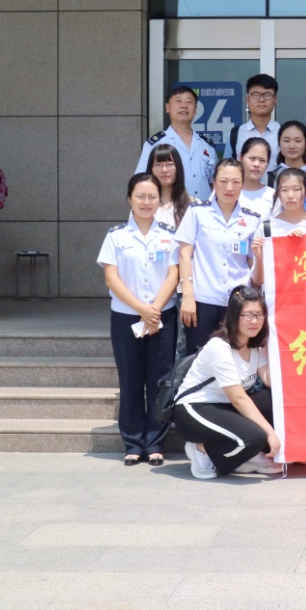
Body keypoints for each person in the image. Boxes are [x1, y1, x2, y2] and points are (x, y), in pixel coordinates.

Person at [98, 173, 181, 467]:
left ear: (159, 201)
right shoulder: (116, 236)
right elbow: (111, 278)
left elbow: (174, 273)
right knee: (130, 379)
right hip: (126, 317)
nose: (146, 202)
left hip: (161, 317)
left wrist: (154, 309)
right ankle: (133, 442)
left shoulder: (170, 235)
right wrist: (141, 309)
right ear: (129, 200)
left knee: (159, 380)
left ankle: (155, 443)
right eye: (140, 197)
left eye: (152, 197)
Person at [173, 285, 282, 480]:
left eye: (259, 315)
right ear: (234, 316)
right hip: (194, 409)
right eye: (248, 315)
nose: (254, 321)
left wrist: (271, 346)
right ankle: (202, 449)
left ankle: (244, 457)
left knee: (274, 402)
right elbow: (239, 398)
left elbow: (268, 380)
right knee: (255, 437)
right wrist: (270, 433)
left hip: (225, 406)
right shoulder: (219, 347)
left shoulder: (255, 345)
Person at [175, 158, 264, 355]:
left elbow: (253, 264)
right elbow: (184, 255)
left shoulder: (252, 219)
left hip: (238, 302)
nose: (229, 187)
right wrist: (187, 296)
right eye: (223, 181)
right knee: (199, 358)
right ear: (214, 182)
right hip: (203, 300)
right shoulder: (197, 213)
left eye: (235, 182)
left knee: (237, 358)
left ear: (242, 184)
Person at [135, 85, 218, 201]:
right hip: (171, 209)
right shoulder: (155, 144)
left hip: (204, 209)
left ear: (195, 109)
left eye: (189, 102)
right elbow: (141, 181)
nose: (184, 106)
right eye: (178, 101)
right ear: (167, 108)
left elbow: (214, 183)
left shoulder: (206, 145)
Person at [226, 74, 280, 170]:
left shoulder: (283, 134)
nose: (261, 99)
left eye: (267, 95)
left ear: (275, 100)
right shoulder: (235, 134)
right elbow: (227, 169)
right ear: (247, 99)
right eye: (256, 95)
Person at [265, 168, 306, 240]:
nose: (290, 195)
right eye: (284, 190)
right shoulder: (267, 228)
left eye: (296, 189)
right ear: (278, 193)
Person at [147, 143, 193, 230]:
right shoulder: (142, 204)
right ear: (151, 169)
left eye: (170, 164)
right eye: (158, 165)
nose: (164, 170)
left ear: (178, 168)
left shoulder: (192, 204)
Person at [237, 137, 275, 209]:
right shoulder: (227, 192)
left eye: (262, 160)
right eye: (252, 158)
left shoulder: (273, 196)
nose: (256, 164)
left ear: (268, 164)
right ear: (241, 158)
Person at [270, 120, 306, 186]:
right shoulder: (271, 177)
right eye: (286, 141)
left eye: (298, 141)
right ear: (279, 143)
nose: (292, 146)